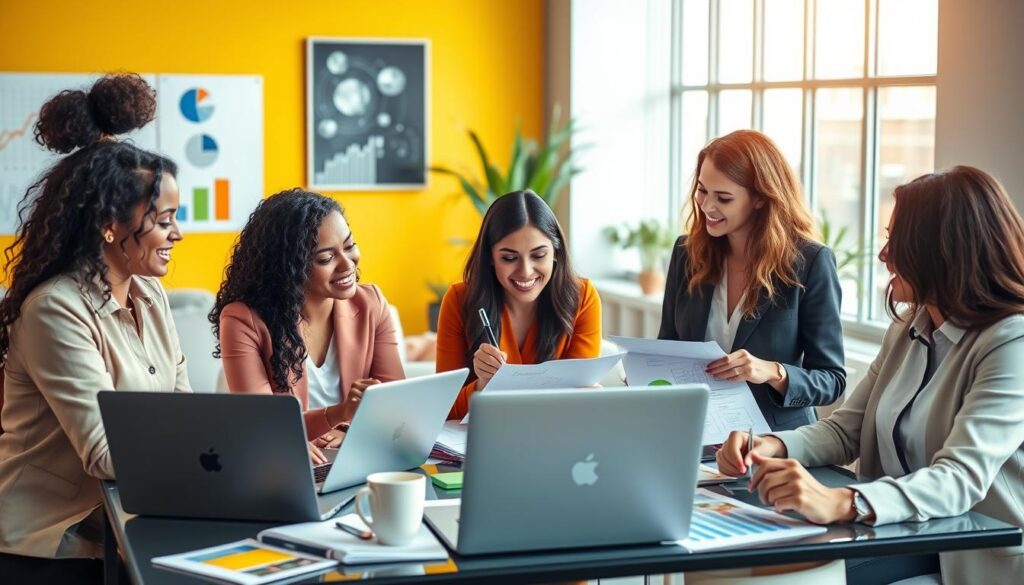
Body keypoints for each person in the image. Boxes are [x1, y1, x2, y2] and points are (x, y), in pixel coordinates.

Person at [717, 166, 1024, 584]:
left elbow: (960, 478)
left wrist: (841, 502)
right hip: (899, 536)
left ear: (943, 251)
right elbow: (846, 430)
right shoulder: (909, 328)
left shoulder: (1011, 342)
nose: (884, 256)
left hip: (969, 559)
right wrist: (768, 445)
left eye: (898, 242)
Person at [0, 74, 190, 583]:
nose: (177, 233)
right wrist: (218, 455)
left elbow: (186, 411)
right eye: (163, 218)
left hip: (125, 522)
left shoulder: (150, 295)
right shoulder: (54, 309)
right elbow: (106, 452)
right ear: (110, 223)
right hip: (48, 544)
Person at [660, 130, 845, 431]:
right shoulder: (687, 253)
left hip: (774, 441)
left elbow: (832, 381)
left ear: (760, 198)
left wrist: (771, 371)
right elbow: (667, 347)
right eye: (702, 190)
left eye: (724, 198)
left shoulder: (810, 262)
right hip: (695, 432)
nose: (707, 206)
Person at [211, 190, 404, 456]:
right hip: (281, 464)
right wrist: (339, 414)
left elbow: (397, 400)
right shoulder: (243, 320)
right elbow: (263, 424)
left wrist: (347, 428)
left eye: (349, 246)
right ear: (288, 267)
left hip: (355, 454)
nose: (347, 264)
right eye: (326, 258)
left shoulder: (370, 303)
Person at [435, 189, 602, 420]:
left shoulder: (582, 297)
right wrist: (482, 385)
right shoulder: (459, 300)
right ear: (491, 258)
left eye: (538, 255)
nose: (525, 271)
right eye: (509, 258)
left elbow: (578, 395)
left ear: (556, 252)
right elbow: (442, 409)